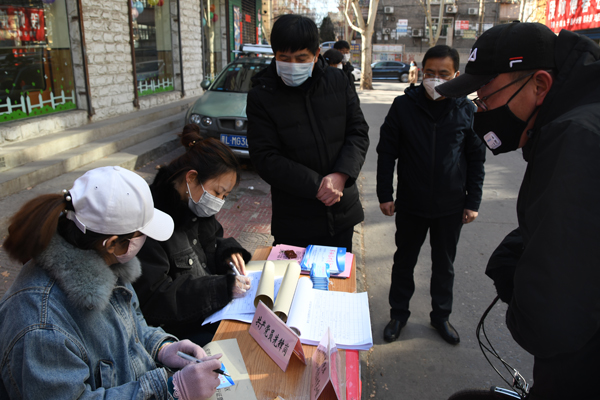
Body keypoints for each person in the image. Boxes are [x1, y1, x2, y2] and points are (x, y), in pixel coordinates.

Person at [435, 22, 600, 399]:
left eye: (486, 99)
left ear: (540, 85)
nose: (481, 111)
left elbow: (552, 319)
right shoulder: (577, 120)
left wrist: (519, 289)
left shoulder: (577, 137)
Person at [0, 166, 223, 399]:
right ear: (113, 243)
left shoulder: (107, 263)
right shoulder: (42, 326)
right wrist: (170, 389)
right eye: (142, 234)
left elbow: (133, 325)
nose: (146, 241)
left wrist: (162, 347)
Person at [376, 45, 486, 345]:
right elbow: (387, 152)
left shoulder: (467, 110)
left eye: (443, 74)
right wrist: (385, 194)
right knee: (404, 262)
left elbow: (476, 159)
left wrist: (472, 201)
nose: (435, 80)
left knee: (444, 265)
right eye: (430, 73)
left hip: (451, 206)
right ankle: (398, 315)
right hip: (411, 203)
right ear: (421, 72)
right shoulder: (403, 106)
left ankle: (441, 317)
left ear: (456, 76)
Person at [246, 14, 369, 252]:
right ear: (275, 55)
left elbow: (358, 132)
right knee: (292, 275)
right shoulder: (262, 95)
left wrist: (341, 175)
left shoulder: (338, 81)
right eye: (284, 58)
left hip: (341, 211)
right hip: (294, 219)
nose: (292, 65)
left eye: (301, 58)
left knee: (337, 274)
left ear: (316, 54)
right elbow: (264, 157)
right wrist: (317, 185)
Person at [133, 124, 252, 346]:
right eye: (218, 192)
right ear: (191, 178)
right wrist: (221, 288)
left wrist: (228, 252)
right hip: (175, 332)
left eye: (225, 196)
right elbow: (156, 298)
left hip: (208, 313)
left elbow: (212, 241)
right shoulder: (151, 222)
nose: (219, 201)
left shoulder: (196, 204)